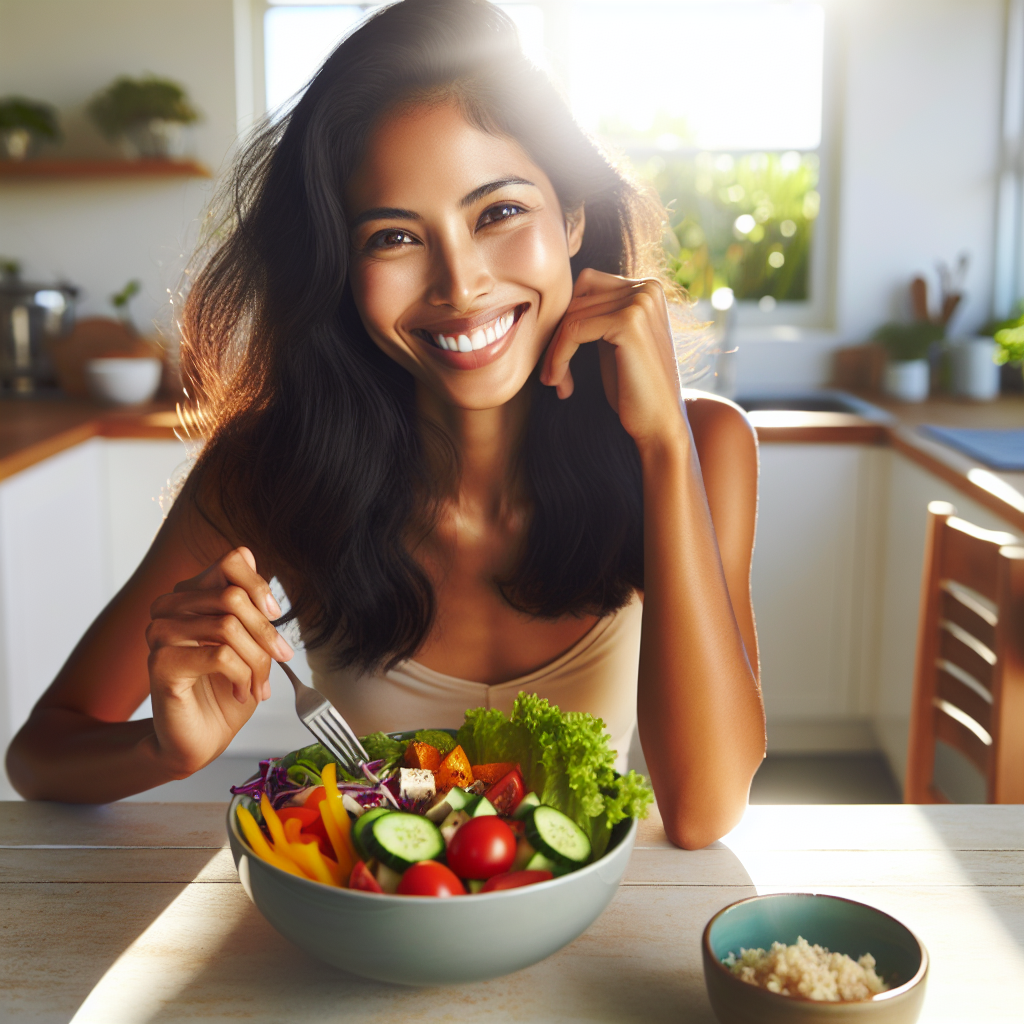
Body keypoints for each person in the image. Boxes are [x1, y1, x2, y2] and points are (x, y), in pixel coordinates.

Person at [6, 0, 764, 849]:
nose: (461, 284)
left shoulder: (705, 449)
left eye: (499, 212)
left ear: (574, 219)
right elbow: (40, 755)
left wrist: (663, 447)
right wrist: (162, 747)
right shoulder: (270, 471)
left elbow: (703, 813)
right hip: (356, 954)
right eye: (395, 236)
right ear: (341, 269)